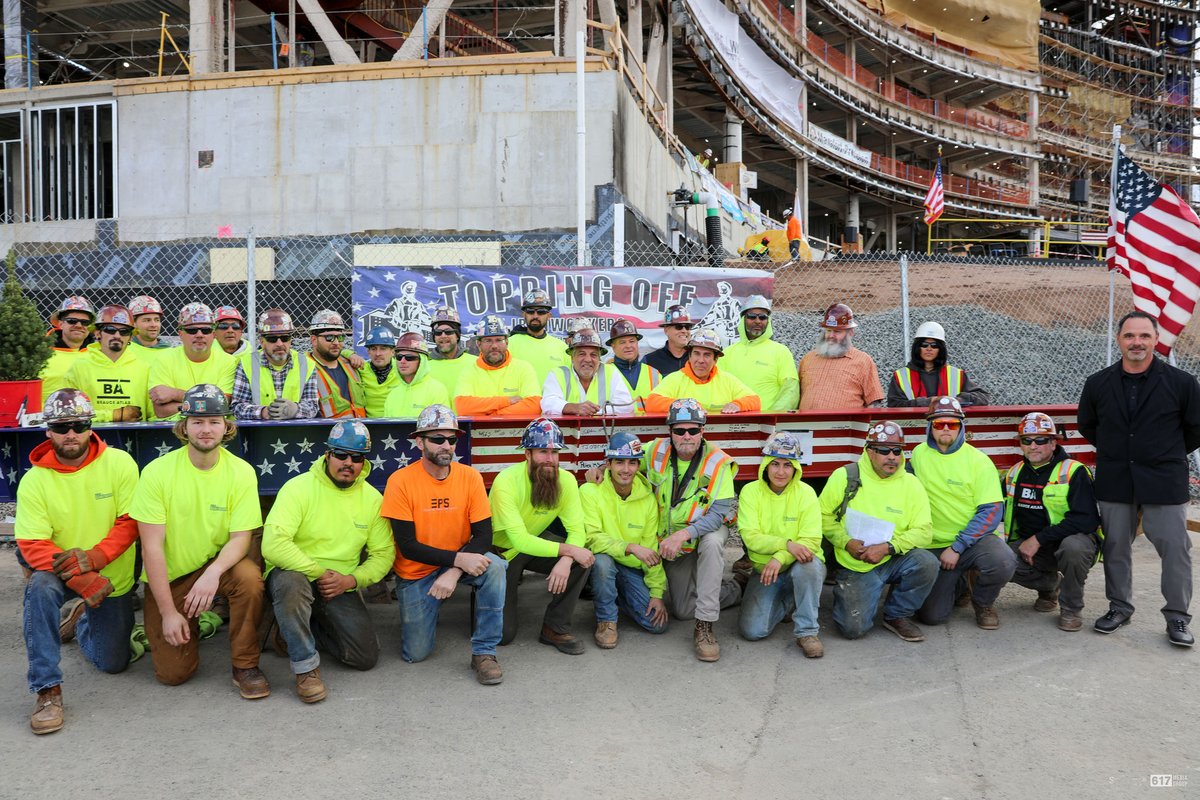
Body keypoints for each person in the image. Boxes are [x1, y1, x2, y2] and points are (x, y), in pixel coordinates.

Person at [130, 384, 268, 697]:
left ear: (226, 426)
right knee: (173, 675)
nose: (206, 430)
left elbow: (240, 538)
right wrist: (167, 612)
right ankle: (181, 622)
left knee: (248, 577)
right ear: (184, 426)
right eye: (198, 422)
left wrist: (212, 574)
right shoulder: (157, 473)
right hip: (172, 575)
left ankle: (245, 665)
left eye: (214, 421)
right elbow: (151, 549)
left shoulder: (241, 472)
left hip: (215, 567)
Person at [16, 389, 139, 735]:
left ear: (90, 426)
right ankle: (47, 689)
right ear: (48, 431)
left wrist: (96, 559)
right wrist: (79, 577)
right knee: (38, 588)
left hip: (111, 576)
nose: (71, 433)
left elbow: (131, 522)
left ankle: (82, 618)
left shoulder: (120, 463)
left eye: (79, 424)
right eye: (62, 426)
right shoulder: (35, 480)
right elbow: (30, 542)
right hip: (60, 570)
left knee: (113, 663)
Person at [1077, 310, 1200, 646]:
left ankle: (1177, 616)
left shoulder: (1182, 383)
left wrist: (1162, 453)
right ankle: (1120, 606)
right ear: (1119, 340)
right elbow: (1087, 425)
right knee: (1116, 547)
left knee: (1175, 548)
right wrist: (1117, 452)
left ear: (1156, 340)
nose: (1137, 342)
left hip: (1164, 480)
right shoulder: (1098, 383)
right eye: (1130, 335)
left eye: (1144, 336)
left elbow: (1195, 429)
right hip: (1116, 479)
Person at [262, 420, 394, 703]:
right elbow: (273, 544)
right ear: (327, 455)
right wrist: (318, 572)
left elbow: (384, 554)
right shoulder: (298, 488)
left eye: (357, 457)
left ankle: (294, 627)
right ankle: (306, 668)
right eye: (341, 455)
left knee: (364, 657)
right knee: (292, 584)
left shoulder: (372, 499)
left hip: (338, 584)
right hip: (296, 573)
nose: (348, 463)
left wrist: (352, 580)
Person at [381, 405, 507, 684]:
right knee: (416, 653)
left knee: (496, 568)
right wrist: (458, 561)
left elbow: (484, 536)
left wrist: (455, 570)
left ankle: (484, 652)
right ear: (420, 442)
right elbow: (407, 546)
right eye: (437, 439)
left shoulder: (470, 477)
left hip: (457, 562)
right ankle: (427, 610)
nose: (446, 446)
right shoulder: (400, 481)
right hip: (417, 572)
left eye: (451, 439)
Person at [642, 399, 743, 661]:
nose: (686, 436)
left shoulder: (719, 462)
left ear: (703, 431)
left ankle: (705, 626)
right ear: (670, 432)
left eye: (693, 430)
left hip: (704, 532)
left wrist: (683, 535)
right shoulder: (654, 451)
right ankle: (737, 588)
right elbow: (625, 465)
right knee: (684, 609)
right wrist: (598, 470)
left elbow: (718, 515)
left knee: (711, 544)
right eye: (679, 430)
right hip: (671, 542)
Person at [819, 421, 938, 642]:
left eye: (897, 450)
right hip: (856, 562)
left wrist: (888, 548)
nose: (892, 456)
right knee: (853, 630)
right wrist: (845, 542)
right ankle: (848, 593)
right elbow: (822, 517)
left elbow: (924, 531)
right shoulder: (844, 476)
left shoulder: (911, 484)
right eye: (884, 450)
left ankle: (896, 615)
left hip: (893, 558)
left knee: (927, 562)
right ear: (869, 451)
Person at [490, 418, 594, 654]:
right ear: (527, 454)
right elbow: (518, 540)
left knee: (582, 558)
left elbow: (577, 530)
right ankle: (486, 597)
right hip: (502, 551)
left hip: (535, 540)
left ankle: (555, 627)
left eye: (555, 452)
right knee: (503, 636)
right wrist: (567, 551)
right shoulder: (505, 481)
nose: (550, 459)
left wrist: (567, 561)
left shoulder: (565, 479)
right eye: (542, 451)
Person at [909, 396, 1013, 630]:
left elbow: (991, 510)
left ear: (962, 426)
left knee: (1003, 560)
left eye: (953, 424)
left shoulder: (979, 461)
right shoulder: (918, 455)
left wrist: (958, 546)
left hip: (971, 542)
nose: (946, 428)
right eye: (939, 424)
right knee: (932, 617)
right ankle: (960, 583)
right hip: (933, 545)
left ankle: (983, 603)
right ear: (930, 426)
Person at [1001, 412, 1101, 632]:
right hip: (1035, 549)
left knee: (1073, 548)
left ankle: (1071, 609)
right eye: (1027, 440)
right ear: (1021, 444)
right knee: (997, 561)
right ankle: (1049, 587)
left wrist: (1038, 539)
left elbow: (1087, 520)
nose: (1033, 446)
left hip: (1073, 543)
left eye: (1041, 440)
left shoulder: (1073, 471)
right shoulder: (1014, 473)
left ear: (1054, 443)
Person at [737, 432, 826, 658]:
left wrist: (780, 557)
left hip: (798, 564)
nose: (780, 471)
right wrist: (786, 545)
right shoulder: (750, 491)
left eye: (787, 465)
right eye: (774, 464)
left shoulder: (806, 493)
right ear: (765, 465)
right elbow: (750, 537)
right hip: (765, 571)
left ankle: (807, 631)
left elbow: (811, 540)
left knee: (809, 565)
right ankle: (790, 600)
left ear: (796, 467)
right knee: (753, 631)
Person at [581, 432, 668, 648]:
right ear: (608, 463)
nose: (626, 469)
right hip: (603, 561)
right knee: (602, 561)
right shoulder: (590, 491)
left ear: (639, 466)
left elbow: (650, 549)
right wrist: (629, 547)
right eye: (619, 462)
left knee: (656, 625)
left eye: (632, 463)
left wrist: (657, 593)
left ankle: (615, 595)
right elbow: (591, 538)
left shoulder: (647, 499)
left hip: (629, 568)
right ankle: (606, 620)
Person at [148, 303, 237, 420]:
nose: (199, 335)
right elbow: (161, 411)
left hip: (215, 432)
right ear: (180, 334)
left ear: (214, 334)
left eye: (206, 330)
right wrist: (208, 401)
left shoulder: (229, 362)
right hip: (170, 429)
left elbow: (223, 403)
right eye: (192, 330)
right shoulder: (163, 359)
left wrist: (175, 394)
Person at [64, 305, 151, 422]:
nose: (117, 335)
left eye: (124, 331)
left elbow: (154, 415)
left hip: (134, 437)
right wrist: (114, 415)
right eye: (110, 330)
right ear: (98, 333)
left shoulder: (144, 368)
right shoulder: (79, 367)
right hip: (91, 438)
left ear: (130, 337)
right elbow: (68, 412)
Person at [643, 329, 760, 414]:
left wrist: (737, 404)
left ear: (716, 359)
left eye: (707, 355)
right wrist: (687, 406)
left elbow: (755, 400)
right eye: (696, 353)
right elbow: (652, 402)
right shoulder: (675, 379)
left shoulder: (727, 380)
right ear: (689, 356)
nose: (701, 360)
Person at [231, 308, 318, 420]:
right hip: (259, 433)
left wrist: (295, 410)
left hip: (297, 432)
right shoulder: (246, 363)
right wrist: (263, 412)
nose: (279, 343)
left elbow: (313, 406)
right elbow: (237, 407)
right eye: (272, 339)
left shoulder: (306, 364)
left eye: (285, 338)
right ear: (262, 342)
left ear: (290, 340)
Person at [797, 302, 884, 410]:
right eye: (828, 330)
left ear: (850, 333)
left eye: (837, 332)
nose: (831, 336)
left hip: (846, 426)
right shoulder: (808, 359)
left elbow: (874, 403)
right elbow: (796, 395)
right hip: (807, 424)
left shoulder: (863, 361)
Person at [453, 315, 542, 417]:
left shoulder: (524, 368)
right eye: (488, 340)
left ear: (507, 342)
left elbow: (534, 406)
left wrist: (493, 415)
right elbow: (463, 408)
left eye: (499, 340)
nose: (494, 346)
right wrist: (507, 401)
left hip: (518, 432)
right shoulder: (468, 371)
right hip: (477, 432)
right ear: (478, 344)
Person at [723, 295, 799, 412]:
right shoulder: (727, 353)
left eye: (763, 317)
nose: (757, 321)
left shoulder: (781, 351)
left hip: (767, 423)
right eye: (752, 317)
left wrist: (772, 417)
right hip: (732, 420)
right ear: (743, 319)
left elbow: (790, 390)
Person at [887, 321, 990, 408]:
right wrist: (928, 402)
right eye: (924, 345)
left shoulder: (956, 374)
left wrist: (955, 400)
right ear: (917, 348)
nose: (929, 348)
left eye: (934, 345)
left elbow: (983, 397)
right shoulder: (901, 376)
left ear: (940, 349)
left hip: (948, 427)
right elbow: (894, 405)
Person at [541, 327, 634, 416]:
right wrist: (574, 408)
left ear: (599, 358)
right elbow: (548, 403)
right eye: (582, 354)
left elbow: (626, 406)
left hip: (603, 431)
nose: (588, 359)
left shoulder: (611, 372)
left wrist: (595, 411)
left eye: (593, 355)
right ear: (572, 357)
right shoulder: (558, 374)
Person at [305, 309, 367, 418]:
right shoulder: (304, 368)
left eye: (340, 337)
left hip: (361, 431)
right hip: (327, 433)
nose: (336, 342)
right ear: (314, 340)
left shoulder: (352, 365)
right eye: (329, 338)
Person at [507, 289, 569, 385]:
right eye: (530, 311)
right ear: (524, 315)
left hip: (552, 400)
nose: (535, 316)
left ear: (549, 316)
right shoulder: (509, 344)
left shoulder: (562, 347)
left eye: (541, 312)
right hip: (522, 400)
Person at [382, 331, 451, 417]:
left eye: (409, 358)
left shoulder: (437, 390)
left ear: (422, 361)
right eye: (399, 357)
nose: (402, 361)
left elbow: (442, 426)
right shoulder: (392, 394)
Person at [39, 296, 95, 397]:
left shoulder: (98, 353)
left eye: (85, 322)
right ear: (60, 324)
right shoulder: (39, 353)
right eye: (72, 321)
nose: (78, 325)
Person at [606, 318, 661, 412]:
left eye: (632, 341)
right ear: (613, 346)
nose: (628, 346)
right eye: (622, 342)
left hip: (650, 426)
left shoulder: (654, 373)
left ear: (637, 343)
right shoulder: (604, 373)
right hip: (614, 426)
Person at [426, 305, 472, 395]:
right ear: (434, 337)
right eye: (438, 333)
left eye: (448, 331)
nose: (443, 336)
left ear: (457, 335)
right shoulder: (424, 366)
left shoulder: (474, 363)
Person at [357, 326, 400, 417]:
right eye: (373, 349)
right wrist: (350, 354)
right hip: (370, 424)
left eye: (383, 348)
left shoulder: (402, 368)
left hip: (396, 422)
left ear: (392, 352)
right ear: (368, 352)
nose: (378, 353)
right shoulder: (361, 369)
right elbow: (336, 357)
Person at [643, 305, 693, 378]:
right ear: (666, 330)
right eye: (678, 327)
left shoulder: (698, 358)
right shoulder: (650, 361)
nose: (684, 330)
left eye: (687, 327)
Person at [128, 294, 172, 361]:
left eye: (157, 320)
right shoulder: (124, 350)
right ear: (133, 323)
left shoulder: (169, 353)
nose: (153, 325)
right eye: (147, 320)